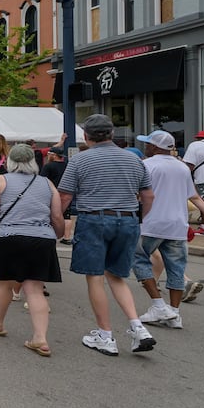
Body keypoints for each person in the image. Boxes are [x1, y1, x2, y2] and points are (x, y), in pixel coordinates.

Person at [55, 113, 157, 356]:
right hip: (128, 219)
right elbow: (148, 195)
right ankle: (137, 326)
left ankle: (105, 334)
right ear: (112, 134)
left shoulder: (80, 161)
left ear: (86, 136)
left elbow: (65, 195)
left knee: (95, 277)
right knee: (117, 276)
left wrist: (56, 221)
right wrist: (140, 218)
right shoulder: (134, 160)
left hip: (94, 218)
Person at [0, 143, 64, 356]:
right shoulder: (47, 183)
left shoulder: (1, 180)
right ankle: (40, 338)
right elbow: (56, 215)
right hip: (41, 238)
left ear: (10, 162)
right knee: (34, 288)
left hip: (9, 236)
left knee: (4, 283)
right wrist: (59, 234)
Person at [132, 130, 204, 331]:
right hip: (177, 225)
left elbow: (137, 193)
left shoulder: (146, 165)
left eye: (148, 144)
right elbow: (195, 197)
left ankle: (158, 305)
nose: (145, 146)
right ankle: (175, 312)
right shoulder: (182, 168)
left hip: (150, 223)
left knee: (138, 260)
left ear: (154, 147)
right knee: (176, 270)